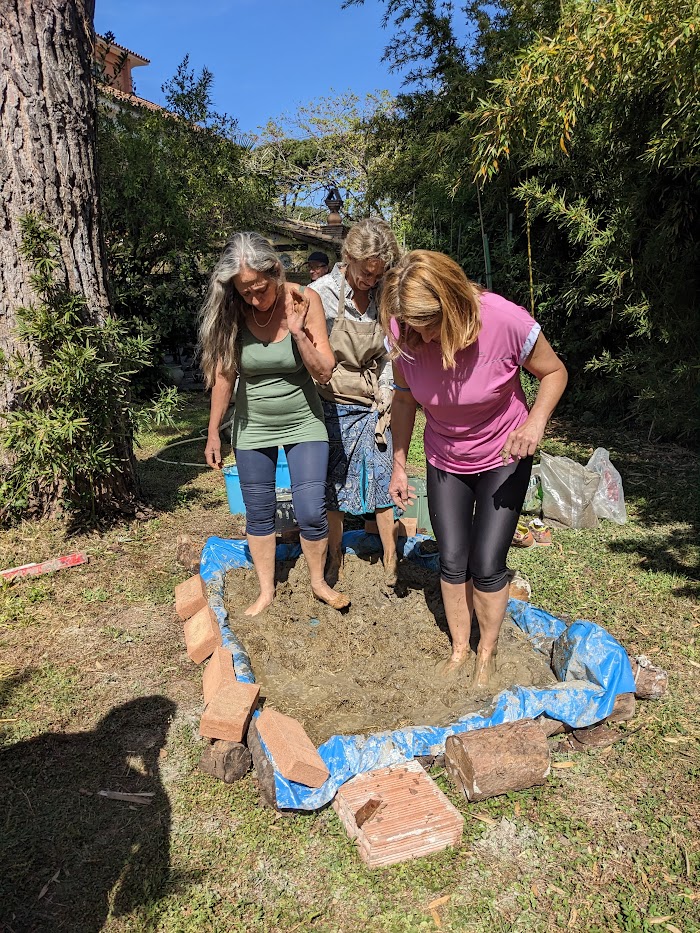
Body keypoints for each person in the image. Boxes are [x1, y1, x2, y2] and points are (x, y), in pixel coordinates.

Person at [380, 250, 568, 686]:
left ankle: (487, 651)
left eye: (427, 328)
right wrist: (399, 463)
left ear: (452, 307)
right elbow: (405, 398)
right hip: (444, 454)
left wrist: (535, 423)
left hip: (504, 453)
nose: (418, 338)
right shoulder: (404, 331)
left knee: (486, 562)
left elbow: (554, 372)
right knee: (452, 559)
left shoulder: (505, 321)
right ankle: (460, 648)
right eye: (409, 328)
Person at [199, 232, 349, 615]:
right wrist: (214, 429)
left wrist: (298, 332)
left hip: (304, 419)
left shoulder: (305, 299)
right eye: (244, 291)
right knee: (259, 510)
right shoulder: (234, 310)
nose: (253, 298)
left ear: (276, 272)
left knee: (312, 509)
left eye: (259, 289)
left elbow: (325, 371)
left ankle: (318, 582)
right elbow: (223, 375)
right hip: (253, 424)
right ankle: (266, 590)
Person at [309, 217, 402, 585]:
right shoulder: (320, 293)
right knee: (334, 484)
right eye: (366, 273)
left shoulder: (383, 297)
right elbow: (311, 353)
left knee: (383, 480)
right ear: (348, 257)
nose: (370, 281)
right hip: (331, 400)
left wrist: (388, 391)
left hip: (372, 399)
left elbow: (389, 352)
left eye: (377, 275)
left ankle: (392, 558)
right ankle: (334, 559)